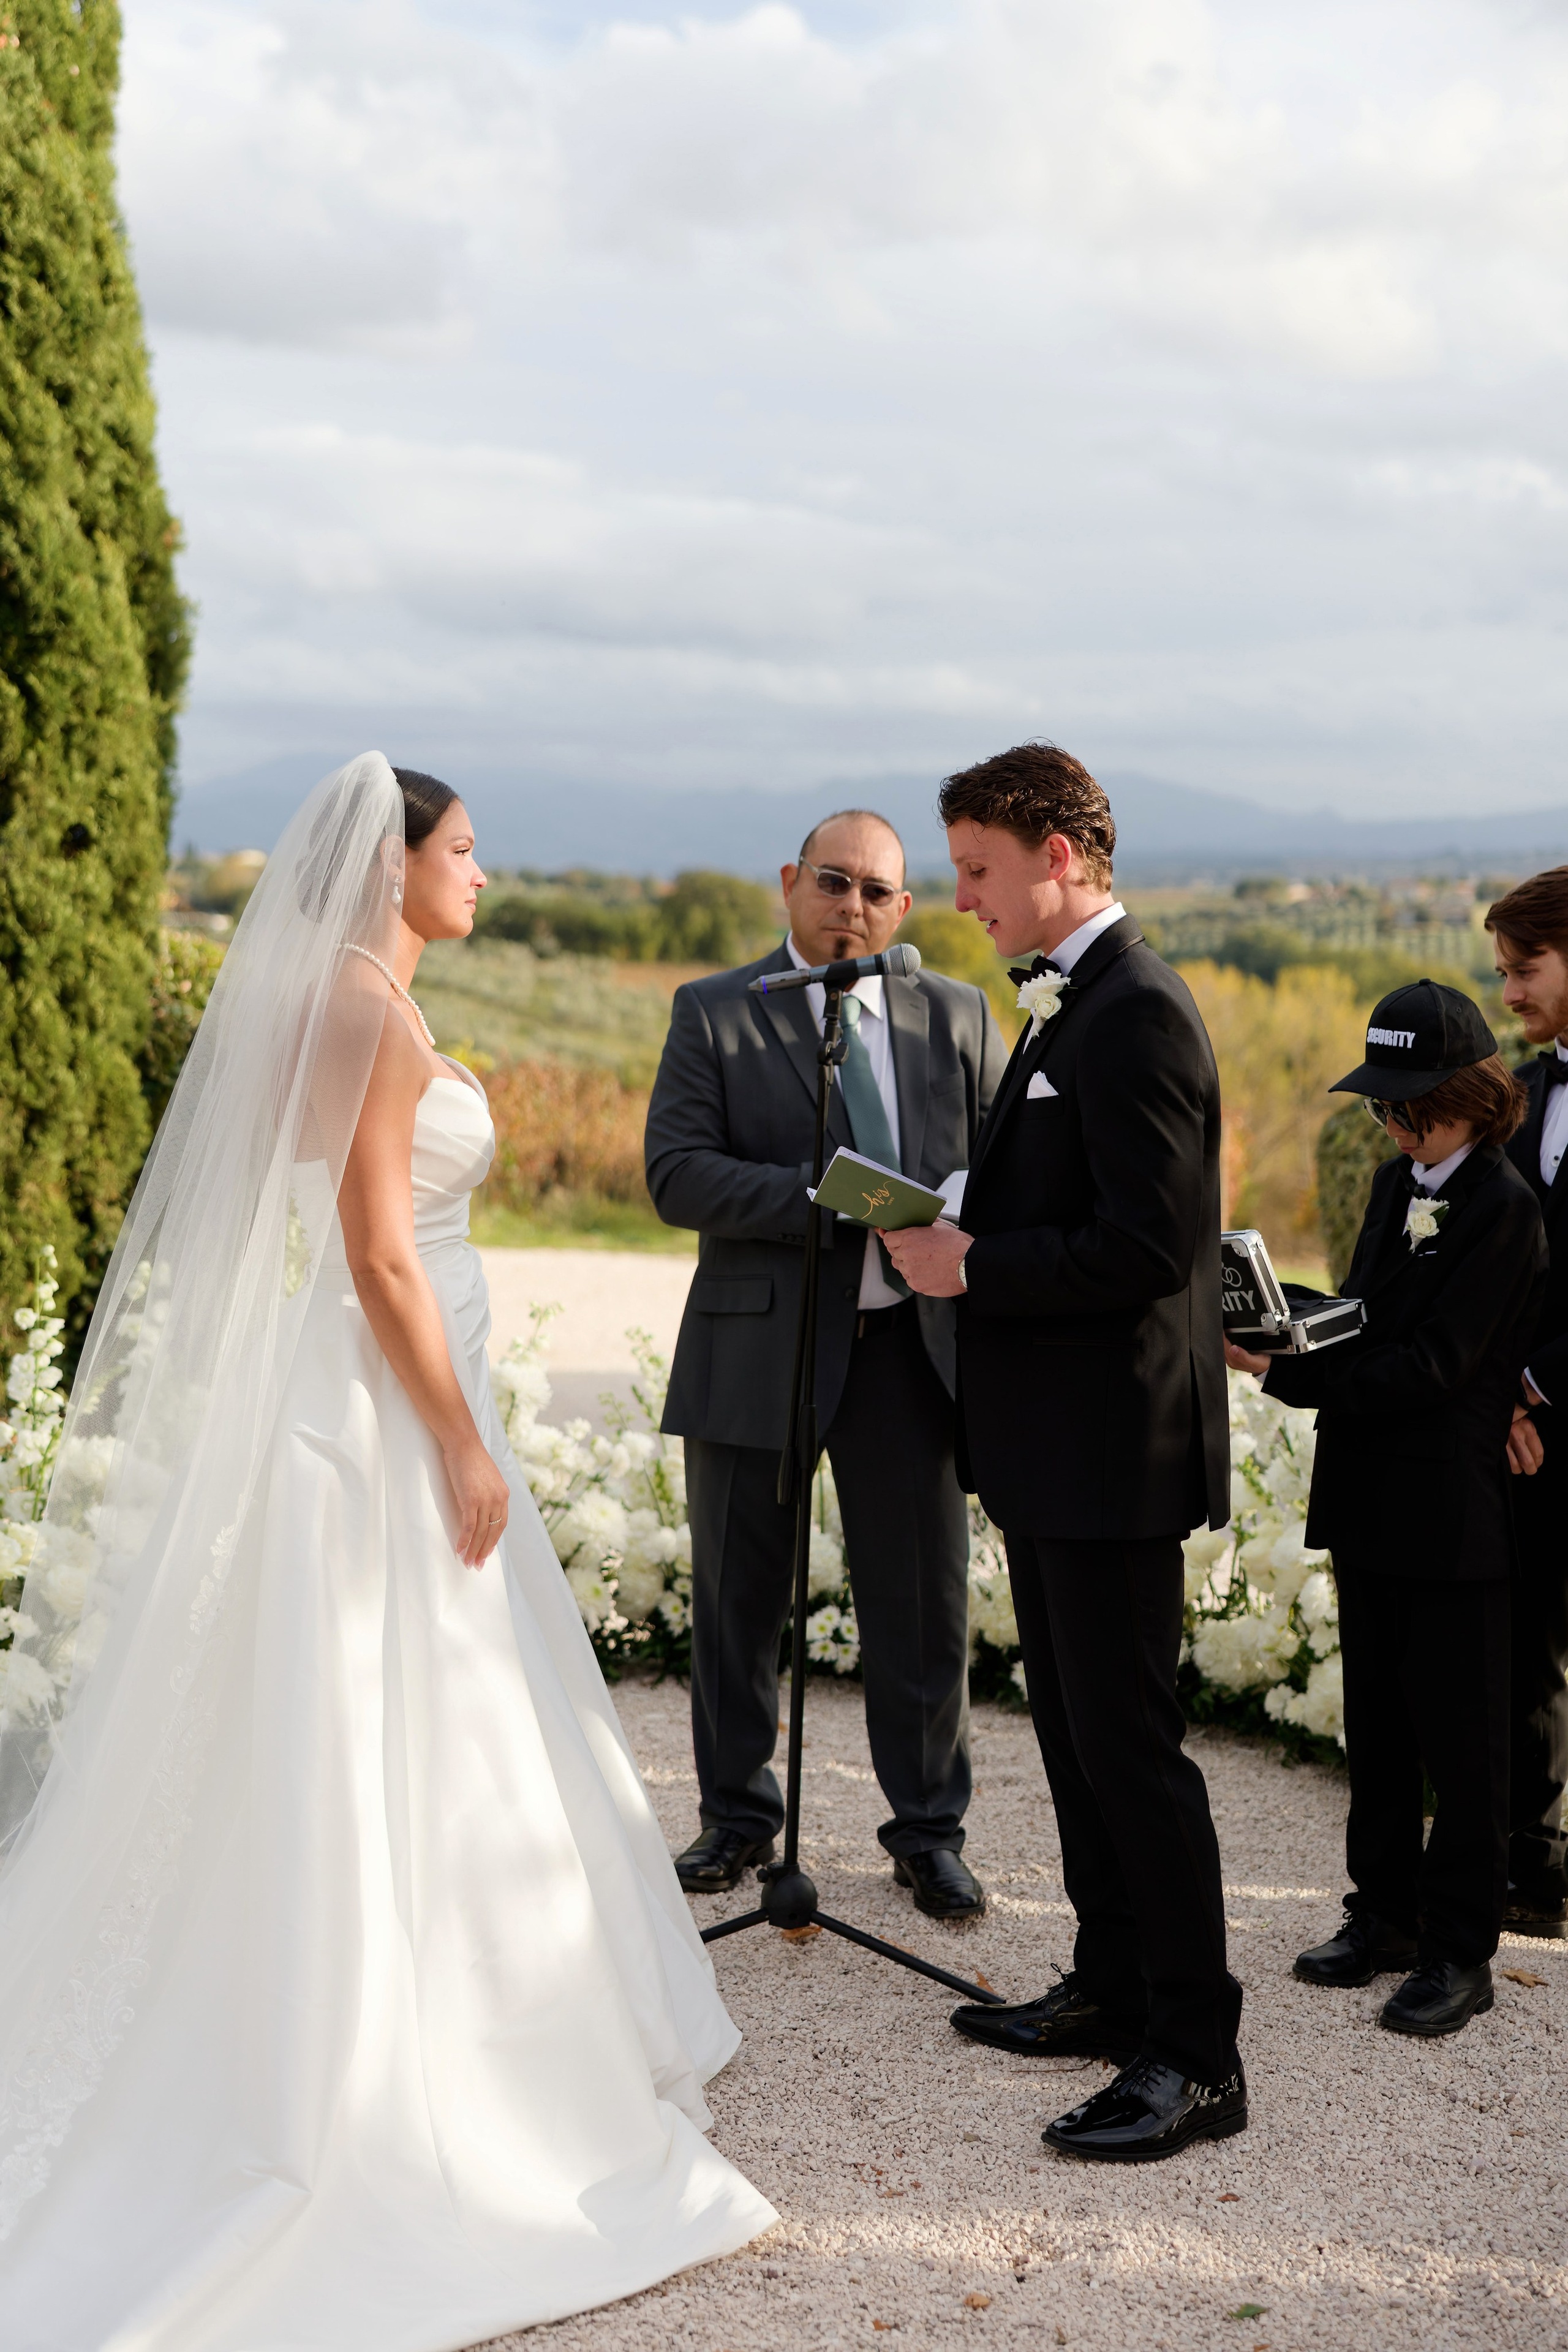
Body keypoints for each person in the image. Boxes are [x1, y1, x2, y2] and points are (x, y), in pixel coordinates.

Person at [0, 756, 774, 2351]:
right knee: (387, 1697)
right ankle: (382, 2046)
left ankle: (472, 1987)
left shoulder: (367, 996)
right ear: (393, 864)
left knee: (443, 1706)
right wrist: (463, 1443)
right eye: (466, 850)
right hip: (381, 1405)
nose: (483, 875)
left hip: (401, 1386)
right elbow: (373, 1252)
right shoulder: (363, 1006)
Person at [886, 742, 1240, 2167]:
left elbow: (1152, 1247)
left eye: (975, 868)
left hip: (1112, 1446)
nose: (958, 894)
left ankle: (1197, 2056)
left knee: (1131, 1751)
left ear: (1060, 857)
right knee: (1076, 1740)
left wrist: (973, 1262)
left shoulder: (1135, 1011)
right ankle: (1109, 1987)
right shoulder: (1062, 1005)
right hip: (1050, 1445)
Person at [644, 810, 1008, 1920]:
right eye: (836, 882)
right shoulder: (715, 1011)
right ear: (791, 882)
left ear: (904, 910)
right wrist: (819, 1193)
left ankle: (928, 1832)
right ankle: (738, 1821)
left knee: (921, 1606)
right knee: (738, 1596)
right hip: (760, 1343)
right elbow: (676, 1174)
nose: (854, 906)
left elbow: (1005, 1165)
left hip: (909, 1350)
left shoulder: (957, 1012)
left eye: (880, 893)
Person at [1229, 980, 1545, 2038]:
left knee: (1462, 1739)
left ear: (1469, 1096)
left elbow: (1435, 1367)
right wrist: (1279, 1322)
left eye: (1414, 1107)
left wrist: (1277, 1379)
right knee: (1380, 1726)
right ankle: (1384, 1916)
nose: (1399, 1125)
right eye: (1386, 1108)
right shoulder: (1387, 1184)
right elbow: (1365, 1316)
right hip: (1366, 1492)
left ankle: (1460, 1947)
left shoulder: (1505, 1209)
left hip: (1451, 1507)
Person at [1486, 872, 1568, 1939]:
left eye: (1525, 969)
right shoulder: (1529, 1092)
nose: (1507, 992)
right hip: (1530, 1432)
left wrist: (1538, 1384)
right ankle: (1535, 1871)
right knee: (1529, 1642)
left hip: (1552, 1399)